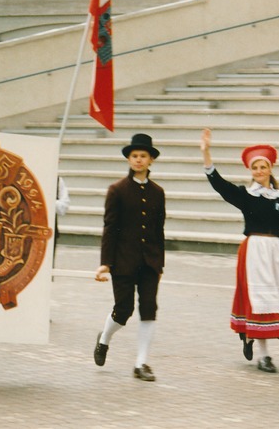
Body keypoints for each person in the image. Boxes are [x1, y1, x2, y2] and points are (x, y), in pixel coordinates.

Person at [200, 128, 279, 373]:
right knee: (260, 298)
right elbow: (220, 185)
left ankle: (249, 334)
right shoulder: (246, 196)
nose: (259, 172)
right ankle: (264, 356)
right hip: (253, 250)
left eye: (263, 167)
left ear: (270, 169)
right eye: (255, 168)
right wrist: (207, 153)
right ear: (251, 171)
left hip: (274, 251)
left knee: (270, 299)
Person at [93, 133, 165, 382]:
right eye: (134, 156)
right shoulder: (117, 190)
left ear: (150, 160)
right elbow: (110, 228)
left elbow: (159, 230)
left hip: (150, 262)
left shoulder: (158, 192)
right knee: (123, 310)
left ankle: (141, 363)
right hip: (123, 261)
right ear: (129, 159)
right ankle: (104, 338)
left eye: (143, 156)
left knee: (149, 309)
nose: (138, 160)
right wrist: (105, 263)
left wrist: (160, 263)